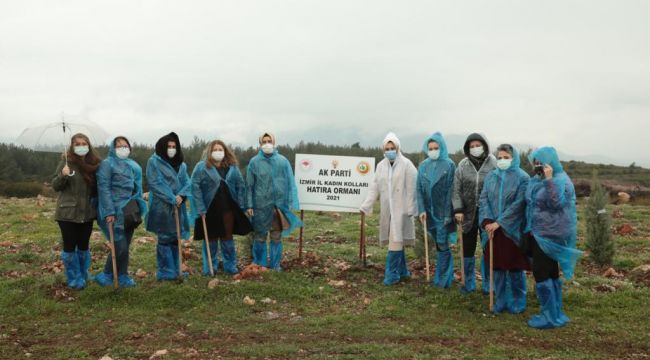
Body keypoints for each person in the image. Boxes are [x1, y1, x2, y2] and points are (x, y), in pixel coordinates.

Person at [525, 146, 582, 329]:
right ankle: (555, 312)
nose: (538, 166)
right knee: (550, 272)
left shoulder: (561, 180)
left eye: (541, 162)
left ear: (552, 162)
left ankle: (549, 317)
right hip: (539, 231)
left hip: (549, 234)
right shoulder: (539, 179)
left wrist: (549, 180)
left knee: (541, 273)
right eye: (535, 163)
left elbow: (556, 203)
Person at [360, 132, 418, 285]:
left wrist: (411, 209)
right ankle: (403, 271)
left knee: (395, 241)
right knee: (396, 240)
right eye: (387, 148)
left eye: (392, 147)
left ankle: (391, 275)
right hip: (388, 210)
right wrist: (367, 205)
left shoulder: (407, 164)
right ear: (383, 149)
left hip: (402, 210)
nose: (390, 150)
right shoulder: (380, 166)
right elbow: (374, 187)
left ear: (398, 148)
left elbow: (413, 188)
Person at [479, 144, 530, 313]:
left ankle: (518, 299)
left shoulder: (523, 177)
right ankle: (500, 299)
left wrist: (500, 222)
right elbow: (484, 199)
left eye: (506, 157)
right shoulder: (491, 177)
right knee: (497, 266)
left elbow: (519, 204)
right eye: (499, 157)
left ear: (513, 158)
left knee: (515, 266)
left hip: (512, 229)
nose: (502, 160)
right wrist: (487, 221)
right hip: (492, 229)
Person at [191, 140, 252, 275]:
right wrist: (200, 207)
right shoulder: (201, 167)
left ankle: (230, 266)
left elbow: (240, 186)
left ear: (225, 152)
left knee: (227, 238)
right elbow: (195, 187)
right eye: (215, 149)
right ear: (209, 152)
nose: (218, 152)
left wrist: (242, 205)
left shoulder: (232, 167)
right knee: (211, 240)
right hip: (209, 209)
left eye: (220, 149)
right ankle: (209, 268)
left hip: (228, 209)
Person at [95, 136, 147, 287]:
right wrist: (109, 212)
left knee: (126, 244)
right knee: (120, 245)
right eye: (119, 146)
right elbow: (103, 188)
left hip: (129, 209)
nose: (123, 149)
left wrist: (138, 204)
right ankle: (107, 274)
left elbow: (137, 187)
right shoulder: (106, 164)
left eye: (125, 146)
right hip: (113, 210)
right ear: (112, 148)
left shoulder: (132, 165)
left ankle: (122, 275)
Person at [52, 133, 101, 289]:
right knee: (70, 245)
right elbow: (55, 186)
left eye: (84, 143)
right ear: (72, 146)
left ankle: (83, 273)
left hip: (87, 213)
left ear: (89, 145)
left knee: (84, 246)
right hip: (67, 214)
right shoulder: (66, 163)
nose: (81, 146)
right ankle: (74, 278)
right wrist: (63, 176)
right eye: (78, 144)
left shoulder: (94, 164)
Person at [245, 132, 301, 271]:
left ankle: (275, 265)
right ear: (260, 144)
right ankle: (260, 264)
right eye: (264, 141)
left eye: (269, 141)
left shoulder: (283, 161)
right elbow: (249, 186)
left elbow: (290, 182)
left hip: (278, 206)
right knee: (260, 236)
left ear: (274, 142)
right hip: (260, 206)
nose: (267, 144)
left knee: (276, 236)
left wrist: (289, 203)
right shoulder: (254, 162)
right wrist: (249, 204)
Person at [453, 133, 497, 294]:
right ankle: (468, 282)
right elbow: (456, 190)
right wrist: (458, 209)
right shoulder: (463, 165)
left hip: (488, 214)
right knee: (467, 248)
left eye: (478, 145)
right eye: (471, 146)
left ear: (484, 146)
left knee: (488, 248)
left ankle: (489, 283)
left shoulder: (494, 164)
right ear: (467, 148)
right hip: (467, 214)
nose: (475, 148)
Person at [145, 132, 192, 281]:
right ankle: (166, 272)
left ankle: (176, 269)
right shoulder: (154, 162)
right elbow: (155, 183)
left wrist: (182, 196)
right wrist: (171, 197)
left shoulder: (181, 164)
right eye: (169, 146)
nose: (171, 149)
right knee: (164, 238)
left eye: (174, 146)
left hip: (178, 204)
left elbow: (187, 182)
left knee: (175, 237)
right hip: (162, 206)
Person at [416, 132, 457, 288]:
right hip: (429, 212)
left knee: (442, 243)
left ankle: (444, 278)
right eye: (430, 148)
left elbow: (451, 191)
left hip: (443, 212)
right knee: (437, 241)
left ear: (442, 147)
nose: (433, 150)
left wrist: (448, 214)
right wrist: (421, 209)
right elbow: (419, 189)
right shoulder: (423, 165)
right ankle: (443, 274)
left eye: (436, 147)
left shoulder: (449, 165)